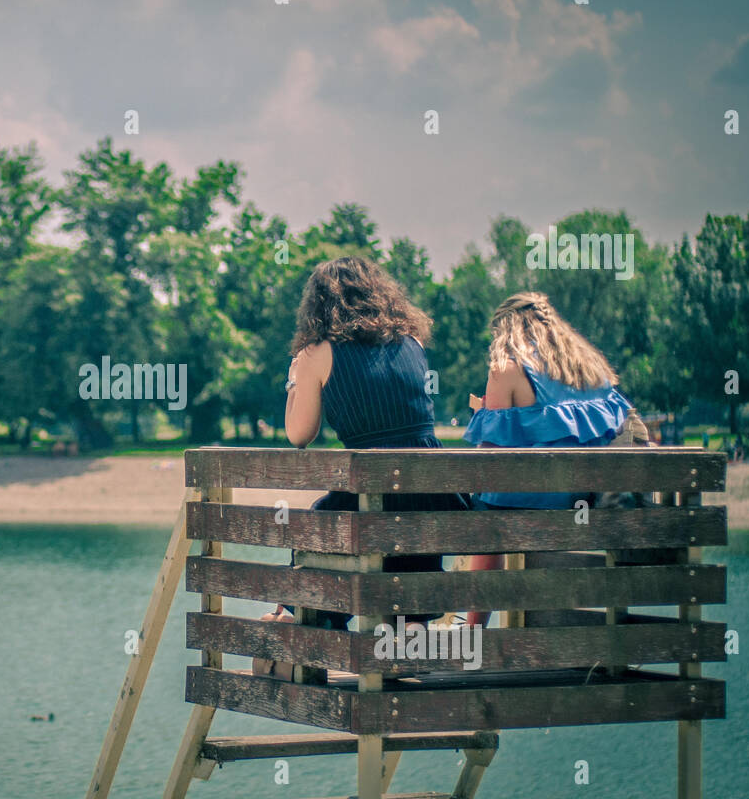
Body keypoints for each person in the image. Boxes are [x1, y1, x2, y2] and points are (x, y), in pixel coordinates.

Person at [253, 255, 468, 680]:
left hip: (373, 498)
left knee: (323, 526)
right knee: (393, 530)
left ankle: (303, 622)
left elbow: (299, 434)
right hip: (434, 494)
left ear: (318, 304)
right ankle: (407, 630)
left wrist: (295, 378)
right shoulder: (412, 343)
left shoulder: (318, 353)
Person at [462, 293, 633, 626]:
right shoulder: (589, 369)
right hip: (582, 505)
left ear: (505, 329)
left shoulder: (506, 368)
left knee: (486, 502)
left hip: (523, 507)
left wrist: (482, 416)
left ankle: (472, 628)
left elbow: (490, 458)